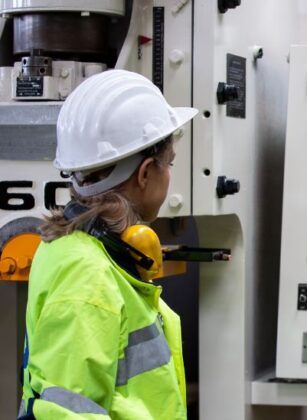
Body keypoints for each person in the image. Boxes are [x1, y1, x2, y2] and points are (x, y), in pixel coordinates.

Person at [18, 69, 198, 419]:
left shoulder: (77, 251)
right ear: (145, 173)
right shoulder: (89, 277)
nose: (169, 174)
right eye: (169, 163)